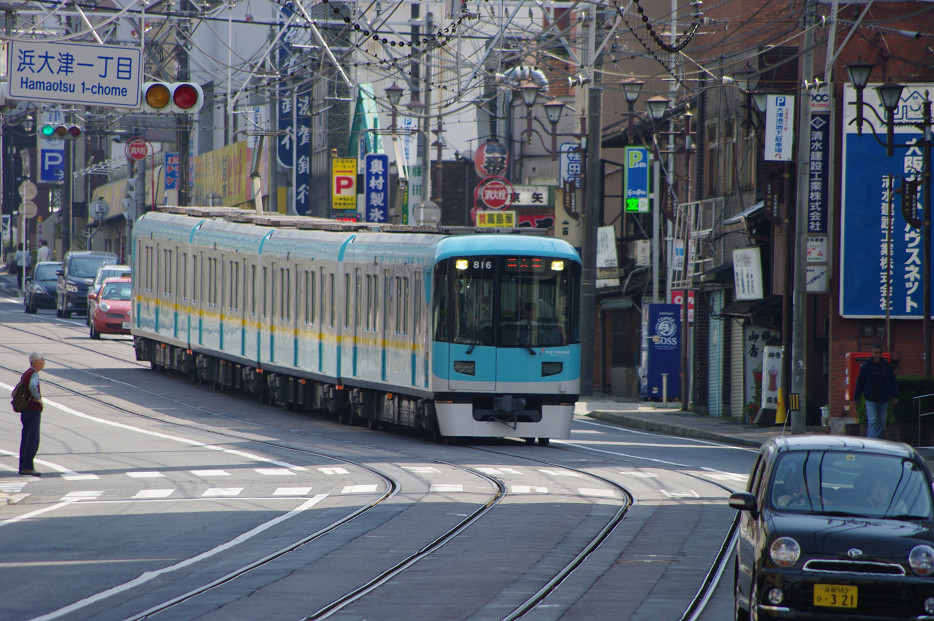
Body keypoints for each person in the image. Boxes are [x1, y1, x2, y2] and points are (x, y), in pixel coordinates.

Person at [854, 344, 899, 439]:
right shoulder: (866, 367)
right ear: (872, 353)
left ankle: (878, 440)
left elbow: (892, 382)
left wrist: (895, 395)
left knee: (882, 422)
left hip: (884, 398)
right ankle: (871, 441)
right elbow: (860, 382)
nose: (877, 355)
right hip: (871, 398)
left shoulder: (887, 367)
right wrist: (857, 396)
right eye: (875, 353)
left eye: (879, 353)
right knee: (873, 421)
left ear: (881, 354)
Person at [17, 352, 45, 476]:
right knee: (33, 439)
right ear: (36, 362)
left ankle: (23, 465)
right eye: (42, 360)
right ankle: (28, 467)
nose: (44, 363)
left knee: (26, 437)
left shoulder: (26, 373)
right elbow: (33, 386)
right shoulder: (33, 374)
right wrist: (38, 398)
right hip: (33, 410)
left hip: (25, 411)